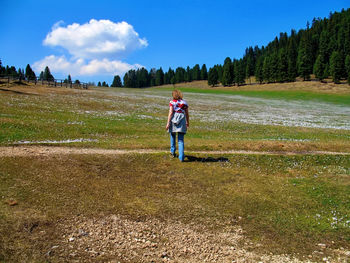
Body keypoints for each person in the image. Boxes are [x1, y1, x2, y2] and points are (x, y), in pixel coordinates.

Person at [166, 90, 189, 162]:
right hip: (182, 121)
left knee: (172, 136)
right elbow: (187, 114)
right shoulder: (184, 103)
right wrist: (187, 122)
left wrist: (168, 122)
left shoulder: (172, 102)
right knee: (181, 140)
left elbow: (170, 112)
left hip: (173, 120)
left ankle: (172, 152)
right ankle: (181, 157)